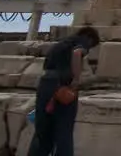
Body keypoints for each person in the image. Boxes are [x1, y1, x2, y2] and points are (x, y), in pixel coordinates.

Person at [27, 26, 100, 156]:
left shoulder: (61, 44)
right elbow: (77, 53)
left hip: (46, 83)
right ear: (89, 38)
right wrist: (76, 80)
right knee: (63, 130)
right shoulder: (81, 42)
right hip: (63, 86)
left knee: (42, 130)